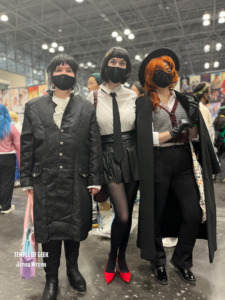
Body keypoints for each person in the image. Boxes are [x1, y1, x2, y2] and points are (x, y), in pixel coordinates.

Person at [20, 54, 103, 300]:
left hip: (77, 178)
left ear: (74, 75)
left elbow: (94, 144)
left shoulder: (86, 108)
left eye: (68, 69)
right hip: (44, 179)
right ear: (51, 74)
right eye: (58, 69)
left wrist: (95, 178)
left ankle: (73, 269)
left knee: (74, 227)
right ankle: (52, 278)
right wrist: (26, 178)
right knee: (48, 230)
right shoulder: (33, 107)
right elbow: (26, 145)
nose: (63, 72)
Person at [136, 48, 220, 286]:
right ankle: (158, 261)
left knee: (194, 213)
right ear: (151, 73)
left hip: (184, 160)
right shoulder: (143, 103)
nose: (166, 71)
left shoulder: (185, 100)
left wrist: (192, 123)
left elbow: (194, 136)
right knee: (155, 214)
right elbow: (143, 138)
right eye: (160, 68)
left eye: (169, 67)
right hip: (157, 160)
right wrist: (169, 134)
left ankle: (182, 260)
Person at [87, 47, 139, 284]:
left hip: (132, 157)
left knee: (125, 213)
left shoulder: (133, 96)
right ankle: (111, 257)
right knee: (125, 215)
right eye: (113, 61)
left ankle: (121, 257)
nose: (117, 66)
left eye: (122, 63)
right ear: (105, 64)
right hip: (107, 156)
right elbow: (88, 135)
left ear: (127, 69)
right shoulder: (93, 97)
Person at [0, 104, 20, 214]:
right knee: (7, 183)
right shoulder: (11, 127)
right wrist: (22, 164)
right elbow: (19, 146)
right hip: (8, 157)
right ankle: (6, 207)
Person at [9, 111, 22, 187]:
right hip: (15, 149)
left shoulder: (13, 125)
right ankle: (16, 180)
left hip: (11, 150)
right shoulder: (17, 125)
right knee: (16, 166)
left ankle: (15, 180)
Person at [214, 105, 225, 182]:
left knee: (220, 158)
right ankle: (221, 176)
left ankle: (217, 175)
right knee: (223, 159)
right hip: (224, 141)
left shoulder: (216, 120)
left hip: (218, 142)